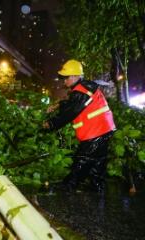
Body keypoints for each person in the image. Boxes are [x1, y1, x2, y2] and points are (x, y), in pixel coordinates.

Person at [43, 59, 116, 192]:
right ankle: (98, 189)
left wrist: (51, 123)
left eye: (66, 77)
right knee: (98, 162)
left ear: (76, 76)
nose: (64, 81)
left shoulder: (81, 91)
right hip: (104, 129)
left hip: (95, 131)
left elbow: (71, 112)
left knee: (82, 160)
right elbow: (75, 105)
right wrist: (58, 104)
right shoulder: (85, 88)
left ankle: (69, 186)